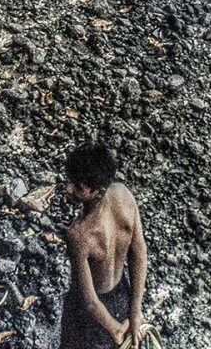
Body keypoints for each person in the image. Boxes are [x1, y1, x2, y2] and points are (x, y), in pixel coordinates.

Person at [60, 142, 147, 349]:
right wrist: (135, 310)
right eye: (70, 180)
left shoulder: (80, 234)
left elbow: (89, 301)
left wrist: (114, 328)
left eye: (79, 187)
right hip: (121, 295)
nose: (68, 189)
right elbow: (139, 253)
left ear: (97, 192)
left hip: (90, 315)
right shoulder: (123, 195)